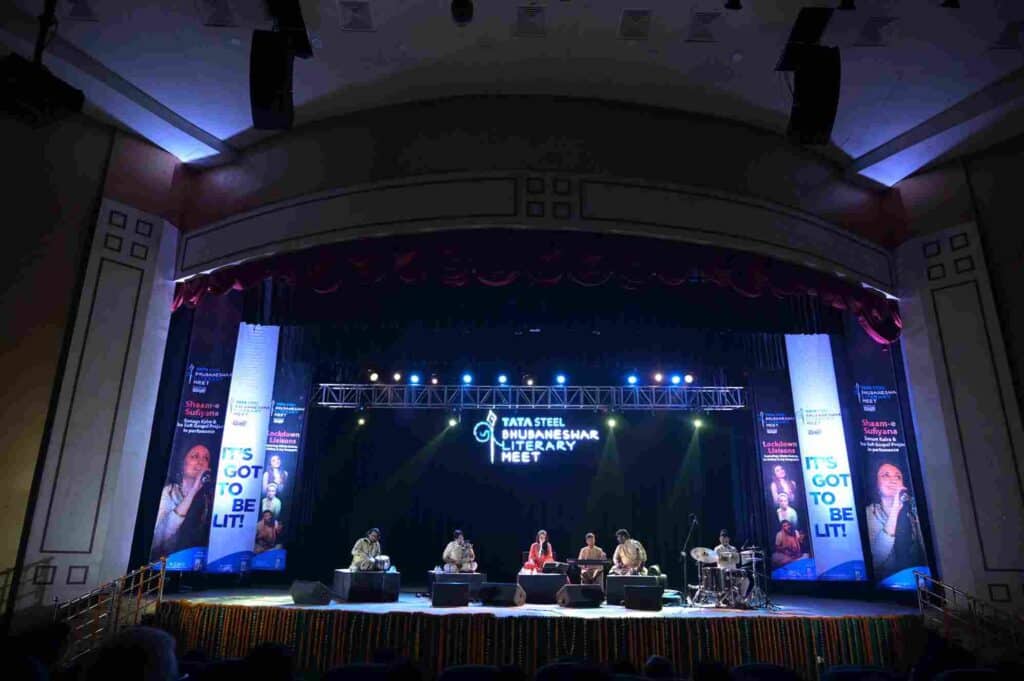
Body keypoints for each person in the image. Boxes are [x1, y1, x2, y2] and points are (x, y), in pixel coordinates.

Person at [151, 444, 213, 560]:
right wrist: (193, 490)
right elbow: (157, 538)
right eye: (195, 456)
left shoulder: (208, 499)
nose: (200, 462)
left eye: (206, 458)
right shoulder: (168, 493)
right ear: (182, 463)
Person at [866, 461, 925, 576]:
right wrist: (894, 511)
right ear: (876, 484)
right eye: (886, 475)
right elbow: (876, 560)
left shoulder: (913, 509)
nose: (893, 480)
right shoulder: (869, 513)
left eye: (898, 477)